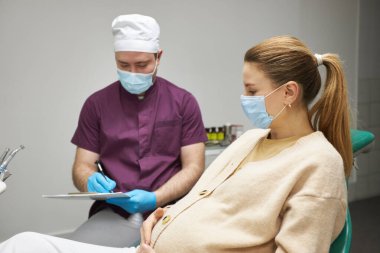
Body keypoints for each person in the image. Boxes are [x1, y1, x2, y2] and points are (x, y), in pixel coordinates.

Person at [0, 35, 352, 253]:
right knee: (22, 244)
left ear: (289, 92)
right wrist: (159, 217)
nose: (243, 99)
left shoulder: (318, 164)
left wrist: (156, 202)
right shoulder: (250, 140)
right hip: (146, 238)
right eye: (124, 64)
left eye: (252, 91)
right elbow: (206, 198)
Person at [64, 14, 208, 247]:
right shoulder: (96, 105)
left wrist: (155, 198)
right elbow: (81, 165)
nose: (132, 72)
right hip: (115, 213)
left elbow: (194, 167)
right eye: (123, 65)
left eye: (142, 65)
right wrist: (89, 180)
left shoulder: (184, 102)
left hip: (173, 210)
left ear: (158, 57)